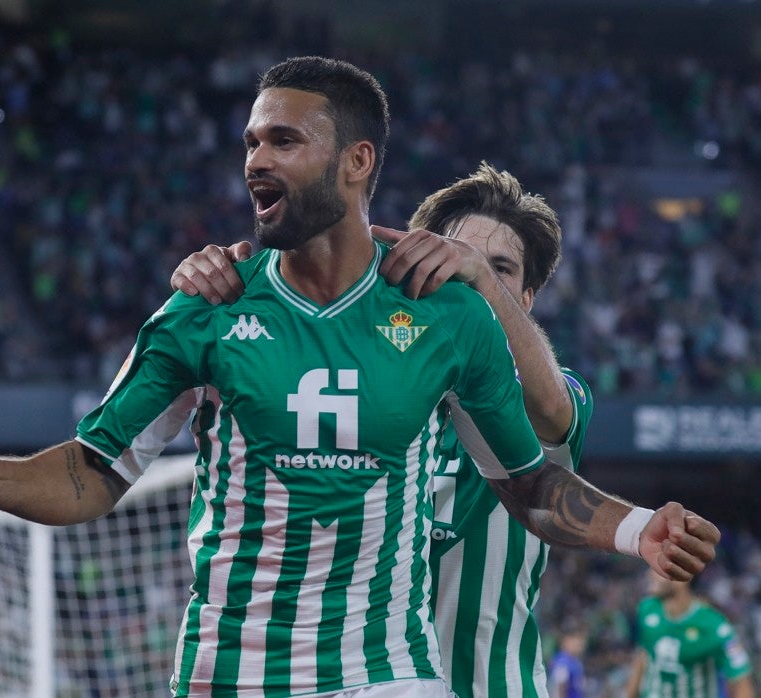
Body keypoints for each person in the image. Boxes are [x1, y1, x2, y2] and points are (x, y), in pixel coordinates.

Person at [0, 56, 719, 698]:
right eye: (252, 144)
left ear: (357, 161)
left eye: (284, 142)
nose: (257, 161)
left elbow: (532, 487)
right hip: (230, 673)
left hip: (386, 673)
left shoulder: (449, 321)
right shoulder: (204, 308)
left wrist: (634, 527)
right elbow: (93, 474)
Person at [171, 162, 594, 698]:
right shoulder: (364, 399)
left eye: (500, 268)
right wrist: (211, 283)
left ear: (526, 300)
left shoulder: (550, 396)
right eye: (449, 254)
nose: (463, 271)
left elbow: (553, 410)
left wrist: (479, 282)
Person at [625, 573, 753, 698]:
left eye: (658, 569)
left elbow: (741, 683)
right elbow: (642, 656)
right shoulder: (647, 609)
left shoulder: (715, 627)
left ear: (681, 578)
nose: (650, 575)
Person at [548, 625, 588, 698]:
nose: (580, 644)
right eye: (577, 640)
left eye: (582, 641)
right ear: (566, 641)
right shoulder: (562, 662)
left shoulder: (576, 662)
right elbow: (559, 688)